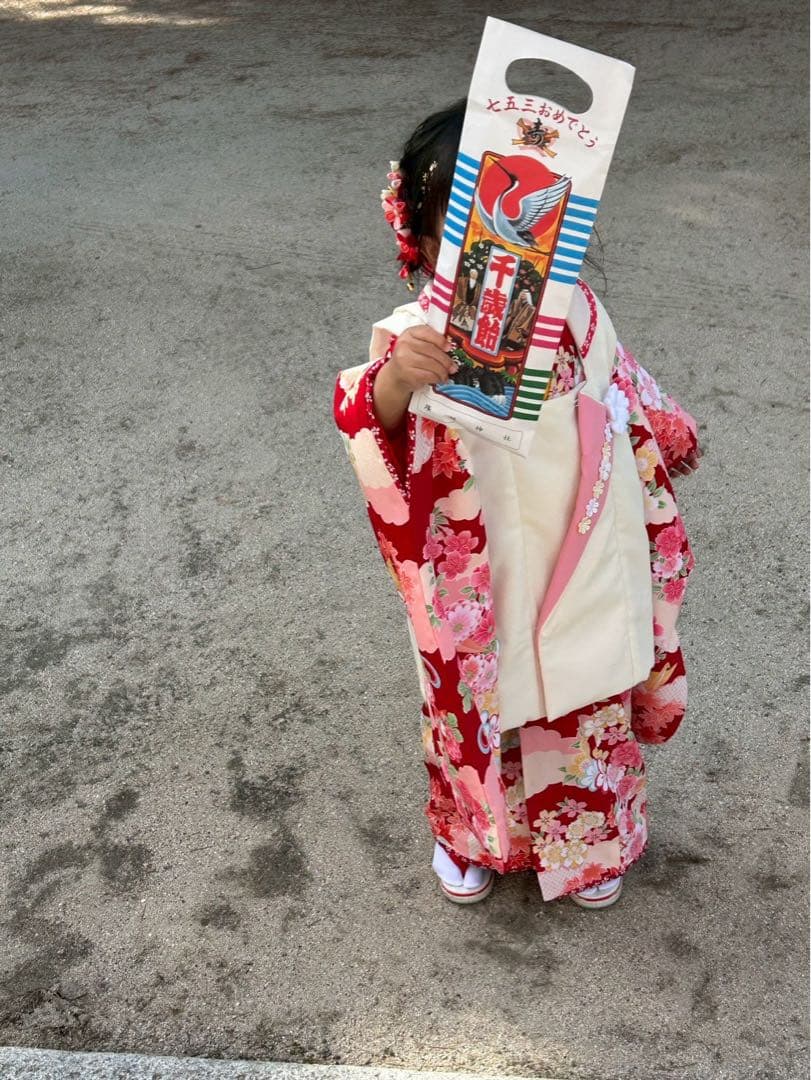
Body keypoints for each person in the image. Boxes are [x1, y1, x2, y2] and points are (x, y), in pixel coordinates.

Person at [333, 99, 701, 910]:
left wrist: (663, 439)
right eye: (462, 225)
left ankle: (590, 841)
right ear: (424, 234)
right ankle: (471, 833)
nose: (497, 243)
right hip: (482, 550)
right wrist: (396, 379)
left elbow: (620, 390)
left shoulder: (578, 312)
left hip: (580, 534)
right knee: (480, 695)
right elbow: (370, 422)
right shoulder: (417, 333)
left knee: (586, 686)